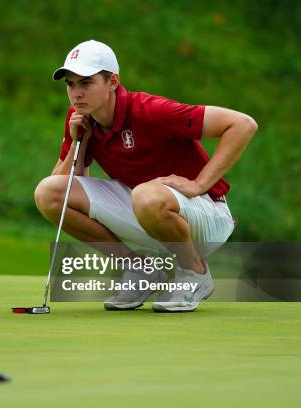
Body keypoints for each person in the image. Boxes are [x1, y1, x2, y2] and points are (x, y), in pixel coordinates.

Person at [34, 40, 257, 313]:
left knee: (145, 194)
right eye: (70, 84)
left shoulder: (149, 110)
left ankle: (195, 272)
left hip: (205, 215)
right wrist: (78, 142)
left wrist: (200, 184)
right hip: (145, 209)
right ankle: (141, 270)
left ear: (112, 82)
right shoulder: (80, 117)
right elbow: (66, 185)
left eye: (86, 82)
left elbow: (242, 124)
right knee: (48, 192)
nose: (76, 93)